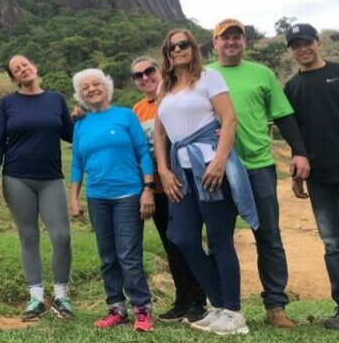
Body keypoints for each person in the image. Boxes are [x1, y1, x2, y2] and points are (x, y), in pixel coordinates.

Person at [154, 28, 258, 336]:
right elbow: (160, 134)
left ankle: (233, 312)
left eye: (183, 44)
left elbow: (228, 119)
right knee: (183, 236)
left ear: (193, 48)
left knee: (218, 239)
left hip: (209, 166)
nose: (177, 50)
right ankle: (219, 304)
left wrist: (220, 161)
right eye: (171, 47)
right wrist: (163, 169)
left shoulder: (209, 77)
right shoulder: (165, 85)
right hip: (181, 172)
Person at [207, 18, 310, 328]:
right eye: (225, 38)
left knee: (269, 237)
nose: (232, 42)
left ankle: (275, 306)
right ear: (215, 44)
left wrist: (299, 151)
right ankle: (223, 305)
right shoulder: (205, 74)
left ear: (244, 43)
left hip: (258, 165)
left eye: (237, 37)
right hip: (217, 167)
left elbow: (284, 115)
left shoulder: (262, 74)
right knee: (219, 238)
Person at [284, 23, 339, 329]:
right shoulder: (292, 88)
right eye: (296, 45)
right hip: (318, 177)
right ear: (292, 50)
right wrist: (297, 175)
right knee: (333, 243)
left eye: (307, 42)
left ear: (319, 43)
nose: (303, 48)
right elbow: (295, 138)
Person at [0, 54, 74, 321]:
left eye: (25, 65)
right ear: (13, 78)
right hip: (17, 178)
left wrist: (85, 118)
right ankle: (35, 298)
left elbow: (71, 135)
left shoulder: (56, 100)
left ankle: (61, 296)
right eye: (16, 69)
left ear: (34, 67)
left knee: (61, 236)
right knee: (29, 237)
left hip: (51, 178)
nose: (22, 69)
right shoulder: (7, 103)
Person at [69, 68, 155, 331]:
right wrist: (73, 197)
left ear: (107, 86)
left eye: (96, 83)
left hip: (128, 194)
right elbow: (76, 163)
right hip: (97, 197)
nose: (92, 89)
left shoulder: (125, 115)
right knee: (107, 257)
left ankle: (142, 308)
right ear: (80, 95)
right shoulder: (80, 124)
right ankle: (116, 308)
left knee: (128, 254)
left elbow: (143, 152)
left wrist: (148, 187)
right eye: (85, 87)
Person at [130, 55, 206, 323]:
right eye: (137, 75)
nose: (144, 78)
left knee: (187, 241)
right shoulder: (137, 109)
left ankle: (200, 299)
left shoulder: (175, 98)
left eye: (149, 71)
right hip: (156, 188)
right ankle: (183, 300)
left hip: (181, 182)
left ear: (159, 71)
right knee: (171, 245)